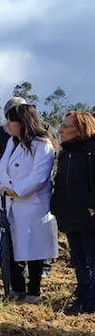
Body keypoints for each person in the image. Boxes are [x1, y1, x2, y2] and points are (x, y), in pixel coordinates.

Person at [0, 104, 58, 303]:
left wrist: (16, 190)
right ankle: (17, 288)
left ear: (23, 122)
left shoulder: (43, 145)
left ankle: (34, 291)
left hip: (31, 203)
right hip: (8, 203)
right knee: (11, 245)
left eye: (11, 121)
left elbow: (39, 176)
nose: (8, 125)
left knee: (33, 247)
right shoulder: (12, 143)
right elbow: (4, 171)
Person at [51, 111, 95, 314]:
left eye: (66, 127)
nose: (60, 130)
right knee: (78, 261)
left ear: (80, 129)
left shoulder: (91, 150)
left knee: (92, 260)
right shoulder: (65, 153)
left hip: (89, 217)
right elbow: (61, 183)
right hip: (70, 216)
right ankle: (84, 300)